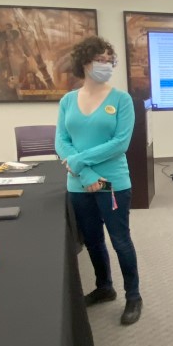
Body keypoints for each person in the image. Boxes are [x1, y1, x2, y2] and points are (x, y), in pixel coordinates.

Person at [56, 36, 142, 326]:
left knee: (120, 240)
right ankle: (105, 287)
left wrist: (79, 163)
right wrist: (86, 173)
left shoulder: (121, 99)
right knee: (92, 240)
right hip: (80, 184)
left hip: (113, 182)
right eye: (100, 59)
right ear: (84, 62)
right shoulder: (68, 100)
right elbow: (62, 141)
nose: (106, 65)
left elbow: (120, 143)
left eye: (109, 60)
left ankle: (133, 296)